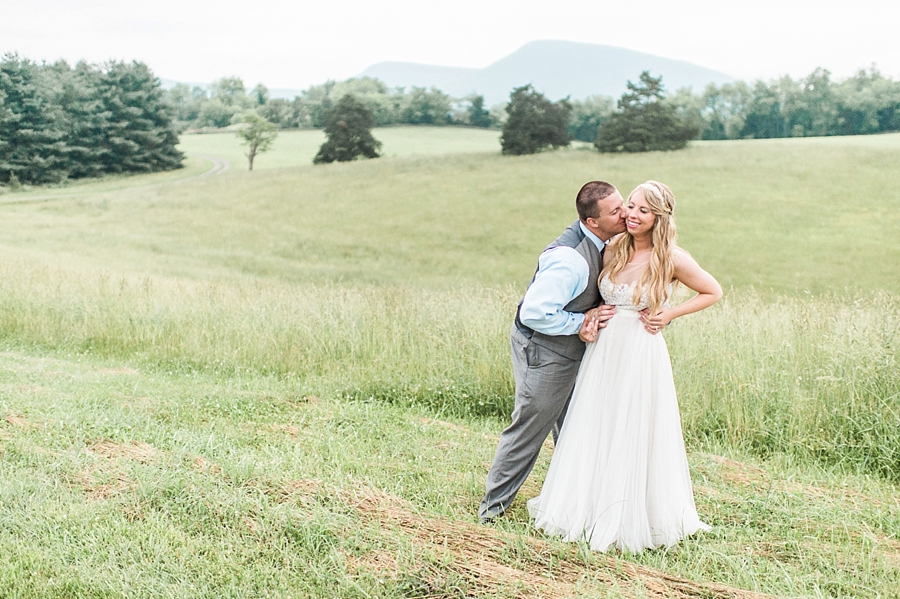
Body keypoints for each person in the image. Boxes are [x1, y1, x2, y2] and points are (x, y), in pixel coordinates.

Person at [527, 180, 722, 552]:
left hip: (640, 350)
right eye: (630, 206)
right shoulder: (613, 248)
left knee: (633, 425)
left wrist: (670, 314)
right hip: (603, 351)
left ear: (659, 218)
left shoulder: (672, 258)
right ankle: (585, 506)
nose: (632, 214)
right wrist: (584, 325)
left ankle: (635, 513)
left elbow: (712, 291)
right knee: (597, 421)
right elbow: (592, 298)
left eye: (643, 210)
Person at [479, 181, 627, 524]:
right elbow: (534, 313)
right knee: (530, 428)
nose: (625, 214)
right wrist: (580, 322)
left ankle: (571, 503)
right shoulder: (570, 261)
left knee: (574, 424)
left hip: (570, 350)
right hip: (543, 351)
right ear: (593, 222)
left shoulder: (601, 238)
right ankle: (491, 511)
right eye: (616, 211)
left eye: (623, 204)